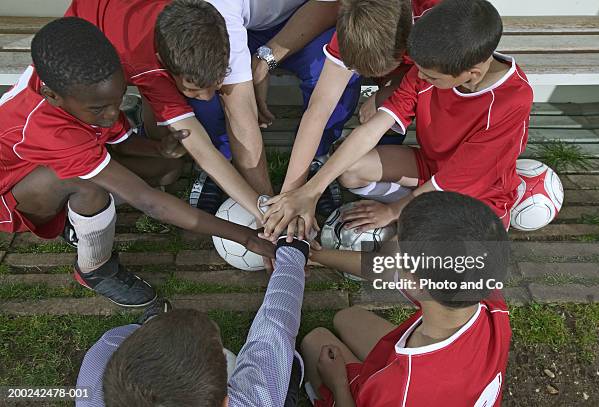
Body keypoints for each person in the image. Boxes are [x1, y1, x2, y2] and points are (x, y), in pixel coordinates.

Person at [0, 17, 274, 307]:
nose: (110, 114)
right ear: (52, 96)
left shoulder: (79, 84)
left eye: (117, 101)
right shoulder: (48, 127)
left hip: (62, 158)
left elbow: (119, 139)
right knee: (87, 186)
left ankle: (78, 220)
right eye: (99, 108)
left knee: (167, 168)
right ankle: (95, 269)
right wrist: (245, 238)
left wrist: (158, 149)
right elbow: (150, 203)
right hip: (12, 193)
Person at [261, 0, 533, 240]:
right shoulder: (429, 64)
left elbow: (452, 180)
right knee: (349, 169)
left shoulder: (510, 101)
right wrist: (309, 191)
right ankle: (411, 206)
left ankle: (422, 209)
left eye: (431, 78)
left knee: (430, 256)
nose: (419, 78)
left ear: (471, 74)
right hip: (433, 166)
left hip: (473, 191)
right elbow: (369, 129)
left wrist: (392, 211)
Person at [64, 0, 355, 217]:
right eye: (194, 89)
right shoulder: (149, 59)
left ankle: (316, 161)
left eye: (216, 85)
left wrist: (270, 207)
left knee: (336, 72)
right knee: (171, 154)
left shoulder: (204, 25)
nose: (205, 96)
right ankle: (220, 163)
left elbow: (242, 121)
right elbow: (224, 130)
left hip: (293, 21)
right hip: (94, 46)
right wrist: (264, 210)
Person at [302, 191, 512, 406]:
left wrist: (338, 384)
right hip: (449, 368)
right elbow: (382, 268)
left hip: (386, 392)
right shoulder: (486, 292)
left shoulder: (401, 392)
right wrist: (314, 255)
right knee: (348, 317)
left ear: (415, 283)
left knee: (315, 341)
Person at [75, 236, 312, 407]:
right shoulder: (253, 401)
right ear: (226, 403)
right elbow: (274, 330)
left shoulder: (103, 352)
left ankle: (153, 320)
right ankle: (295, 369)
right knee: (286, 363)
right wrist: (293, 251)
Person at [279, 0, 440, 231]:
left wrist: (390, 89)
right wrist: (293, 194)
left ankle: (415, 197)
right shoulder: (354, 21)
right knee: (355, 156)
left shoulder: (435, 25)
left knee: (383, 106)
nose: (362, 76)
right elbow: (319, 108)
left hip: (442, 82)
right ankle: (400, 186)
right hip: (408, 71)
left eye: (371, 73)